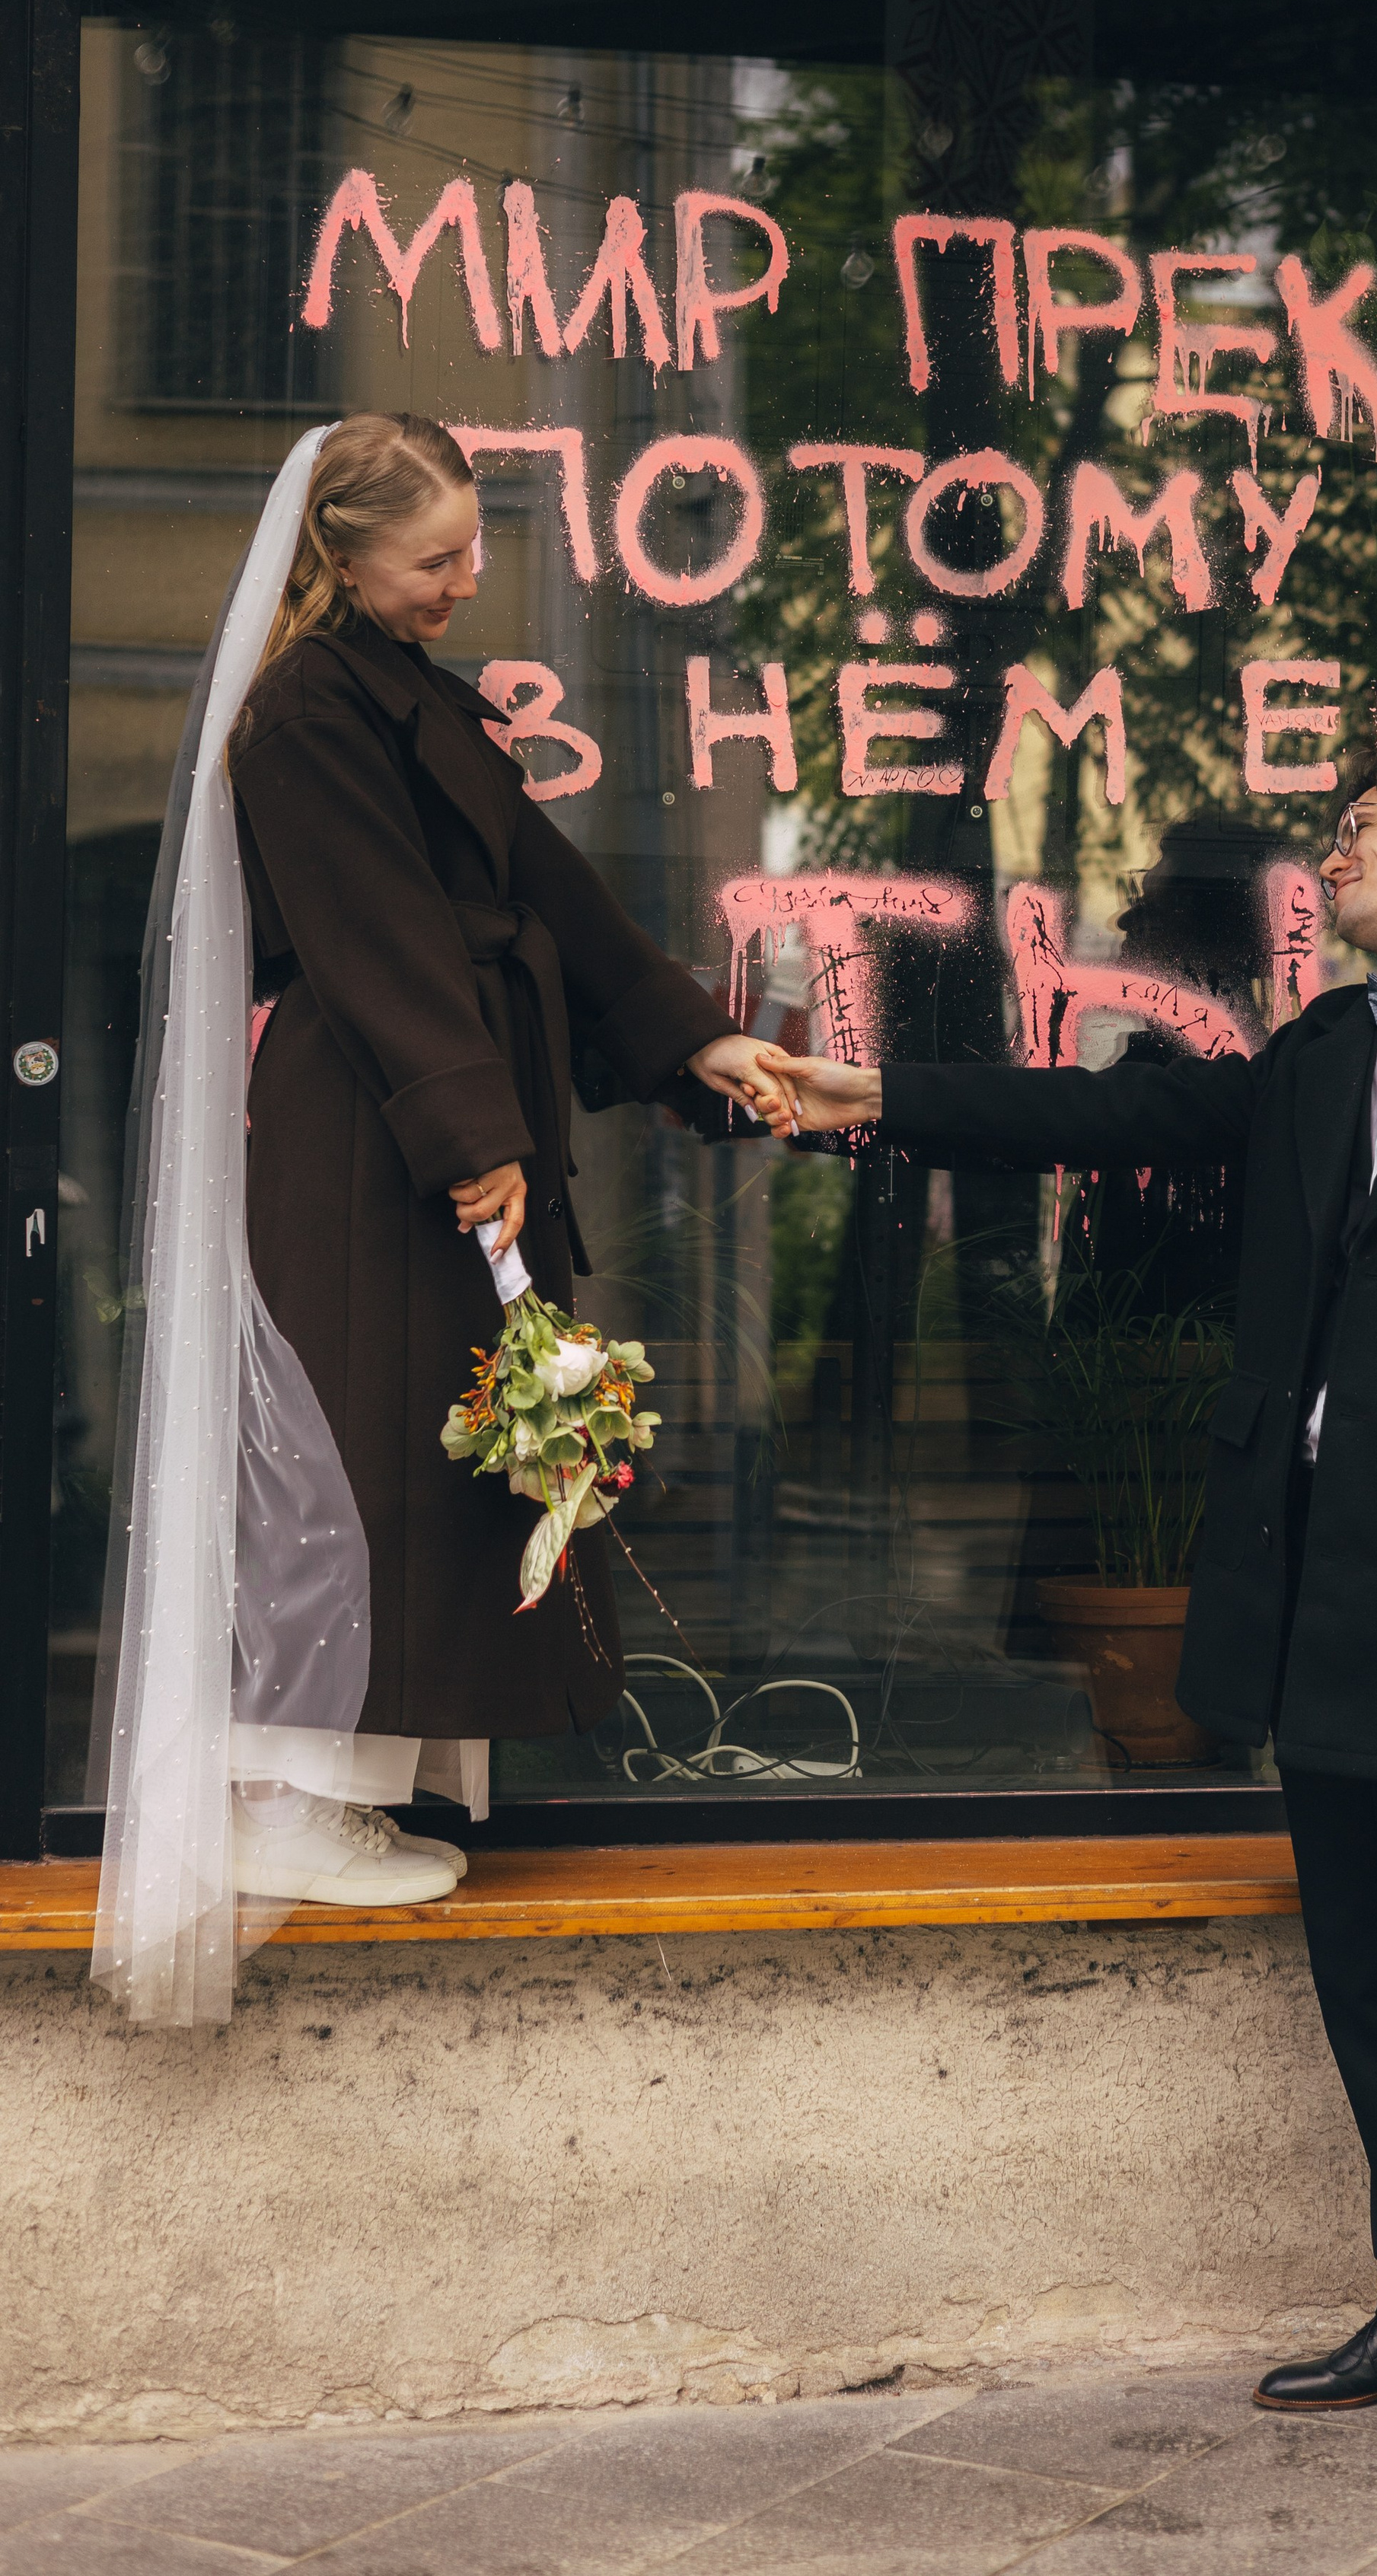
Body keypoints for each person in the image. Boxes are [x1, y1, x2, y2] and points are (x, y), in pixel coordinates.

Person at [757, 747, 1377, 2466]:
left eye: (1363, 825)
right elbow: (1111, 1119)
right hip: (1300, 1561)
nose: (1336, 848)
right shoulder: (1317, 1051)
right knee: (1364, 1963)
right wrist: (869, 1094)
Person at [92, 416, 795, 2022]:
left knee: (425, 1442)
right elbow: (377, 934)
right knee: (360, 1445)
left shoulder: (401, 695)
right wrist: (474, 1132)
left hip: (427, 1113)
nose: (468, 578)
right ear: (341, 553)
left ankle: (344, 1782)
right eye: (437, 557)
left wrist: (692, 1039)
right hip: (375, 1123)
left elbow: (551, 898)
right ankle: (285, 1790)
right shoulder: (306, 711)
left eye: (473, 546)